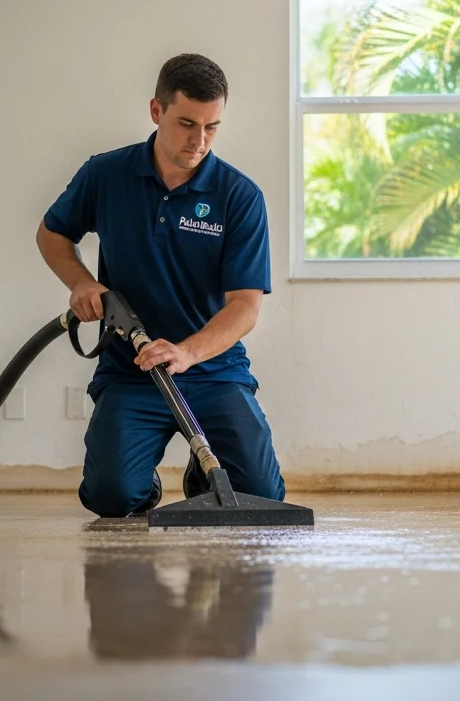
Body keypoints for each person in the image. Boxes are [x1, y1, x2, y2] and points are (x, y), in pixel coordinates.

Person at [36, 53, 287, 518]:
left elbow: (246, 306)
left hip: (213, 371)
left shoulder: (239, 196)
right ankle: (139, 479)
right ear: (156, 111)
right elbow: (52, 234)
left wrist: (188, 352)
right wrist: (82, 283)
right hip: (132, 368)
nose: (199, 140)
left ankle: (200, 474)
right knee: (111, 497)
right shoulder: (106, 175)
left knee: (260, 497)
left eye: (212, 127)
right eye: (187, 123)